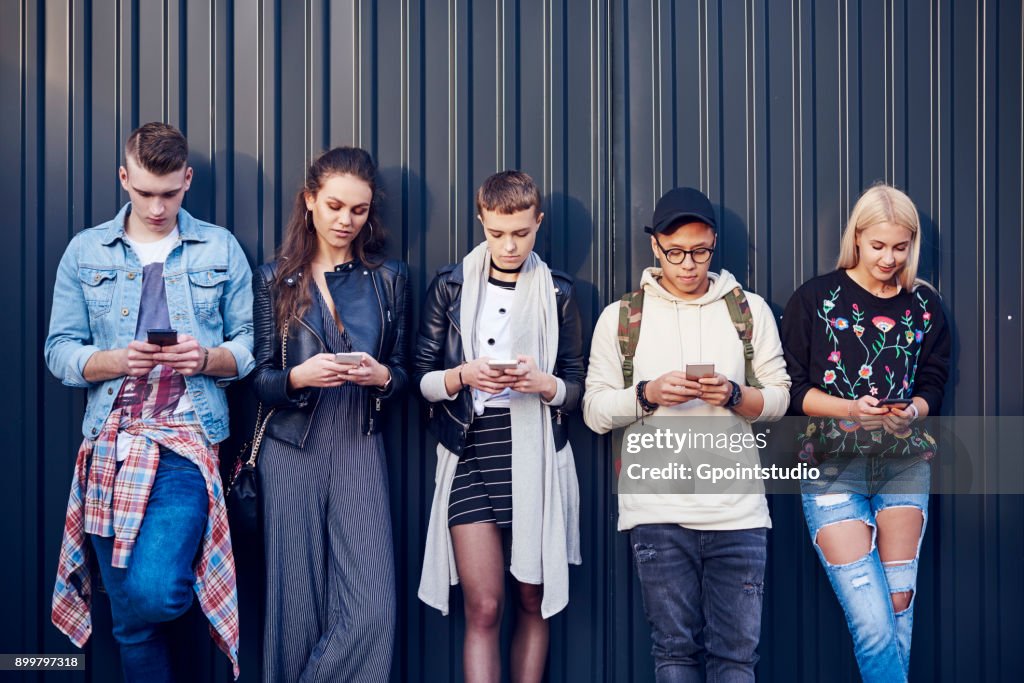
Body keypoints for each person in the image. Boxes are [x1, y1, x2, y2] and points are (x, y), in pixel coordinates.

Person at [46, 122, 254, 681]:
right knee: (131, 629)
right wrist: (117, 361)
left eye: (169, 192)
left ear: (187, 179)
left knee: (155, 595)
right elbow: (59, 350)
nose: (157, 207)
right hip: (108, 448)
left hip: (183, 446)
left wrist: (205, 359)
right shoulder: (86, 250)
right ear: (124, 178)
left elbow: (248, 351)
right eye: (143, 193)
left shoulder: (219, 247)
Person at [583, 187, 791, 682]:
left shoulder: (748, 311)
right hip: (657, 513)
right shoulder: (622, 318)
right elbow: (593, 410)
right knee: (673, 654)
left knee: (737, 660)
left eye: (700, 252)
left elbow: (781, 399)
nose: (689, 265)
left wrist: (735, 395)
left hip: (738, 514)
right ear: (655, 246)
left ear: (713, 243)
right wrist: (647, 393)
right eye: (675, 252)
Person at [415, 170, 584, 683]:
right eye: (497, 233)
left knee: (531, 596)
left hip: (533, 449)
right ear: (481, 222)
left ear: (538, 223)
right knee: (484, 606)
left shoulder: (559, 292)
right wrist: (463, 375)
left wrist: (542, 384)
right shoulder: (450, 286)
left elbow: (576, 386)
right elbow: (420, 379)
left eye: (521, 233)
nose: (509, 245)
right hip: (469, 447)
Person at [250, 146, 409, 682]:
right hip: (292, 447)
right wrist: (299, 376)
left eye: (359, 210)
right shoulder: (274, 278)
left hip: (359, 441)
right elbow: (261, 380)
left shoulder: (389, 279)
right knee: (294, 607)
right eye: (335, 206)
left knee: (371, 606)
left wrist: (382, 376)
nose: (345, 221)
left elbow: (405, 372)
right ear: (310, 200)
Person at [781, 184, 950, 683]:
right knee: (873, 622)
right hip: (833, 471)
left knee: (899, 607)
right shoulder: (815, 298)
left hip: (904, 468)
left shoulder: (924, 306)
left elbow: (933, 381)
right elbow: (793, 391)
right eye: (878, 246)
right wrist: (851, 408)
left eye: (901, 247)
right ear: (856, 237)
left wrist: (912, 412)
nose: (889, 258)